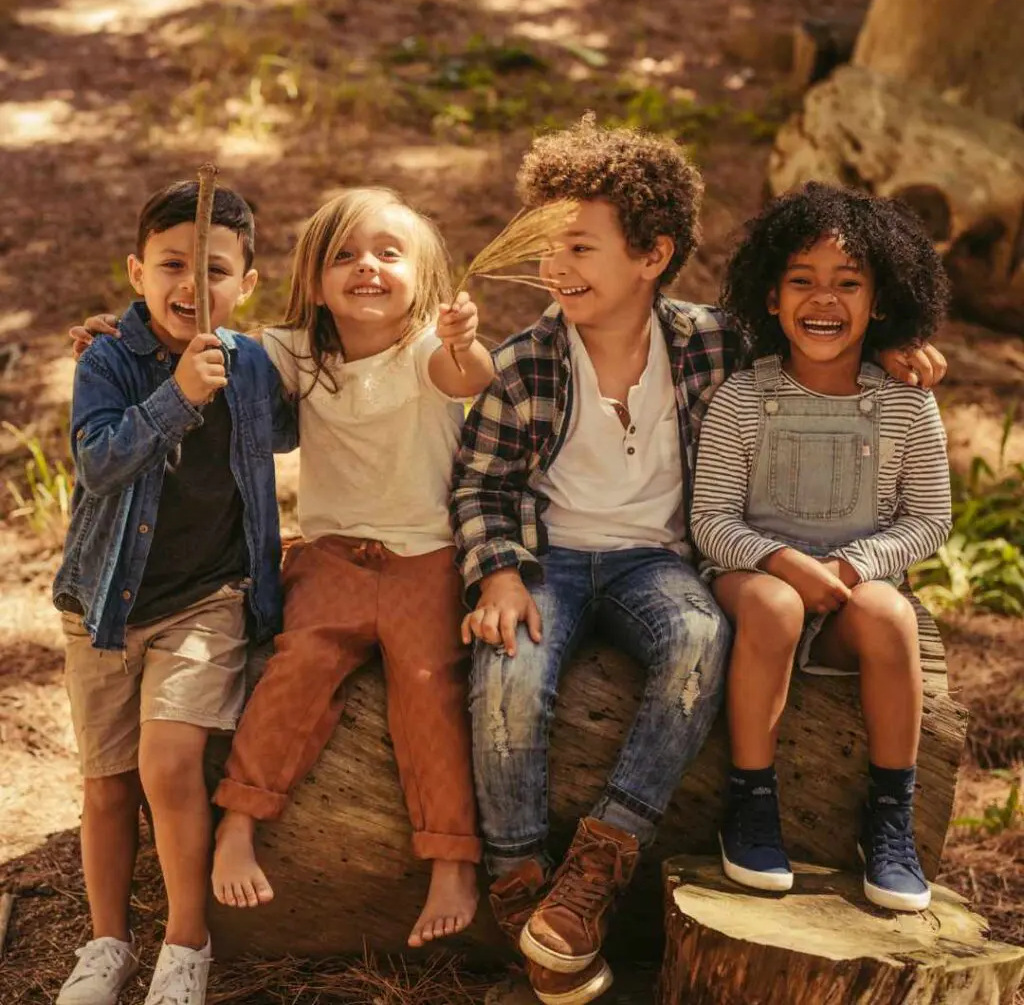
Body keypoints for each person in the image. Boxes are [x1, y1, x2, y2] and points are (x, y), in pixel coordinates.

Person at [449, 118, 948, 1005]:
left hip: (657, 562)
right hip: (550, 561)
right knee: (509, 669)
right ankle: (521, 874)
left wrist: (889, 347)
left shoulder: (712, 342)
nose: (556, 266)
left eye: (579, 246)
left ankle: (603, 855)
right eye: (548, 244)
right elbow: (483, 485)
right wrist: (496, 572)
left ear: (653, 256)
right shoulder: (525, 364)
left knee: (698, 638)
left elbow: (816, 338)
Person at [206, 187, 493, 948]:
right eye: (345, 255)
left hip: (424, 557)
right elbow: (215, 349)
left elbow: (473, 378)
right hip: (331, 554)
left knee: (429, 690)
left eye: (389, 254)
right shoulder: (295, 352)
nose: (367, 266)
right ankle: (238, 819)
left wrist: (466, 339)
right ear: (314, 276)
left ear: (424, 275)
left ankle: (451, 860)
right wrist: (122, 340)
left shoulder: (430, 348)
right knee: (296, 668)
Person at [53, 180, 297, 1005]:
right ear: (135, 271)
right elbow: (98, 463)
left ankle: (185, 946)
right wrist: (178, 395)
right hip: (104, 603)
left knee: (169, 763)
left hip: (207, 599)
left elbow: (318, 405)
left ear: (247, 283)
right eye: (171, 265)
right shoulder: (107, 360)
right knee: (107, 781)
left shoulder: (257, 365)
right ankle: (105, 941)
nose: (193, 285)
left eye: (217, 269)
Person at [690, 181, 952, 912]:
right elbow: (710, 519)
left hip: (847, 593)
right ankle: (751, 801)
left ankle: (890, 816)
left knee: (891, 616)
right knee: (773, 605)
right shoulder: (743, 398)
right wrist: (782, 562)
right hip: (754, 580)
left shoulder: (905, 402)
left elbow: (929, 519)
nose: (824, 300)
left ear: (882, 301)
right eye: (801, 281)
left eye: (848, 284)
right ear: (771, 299)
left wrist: (850, 566)